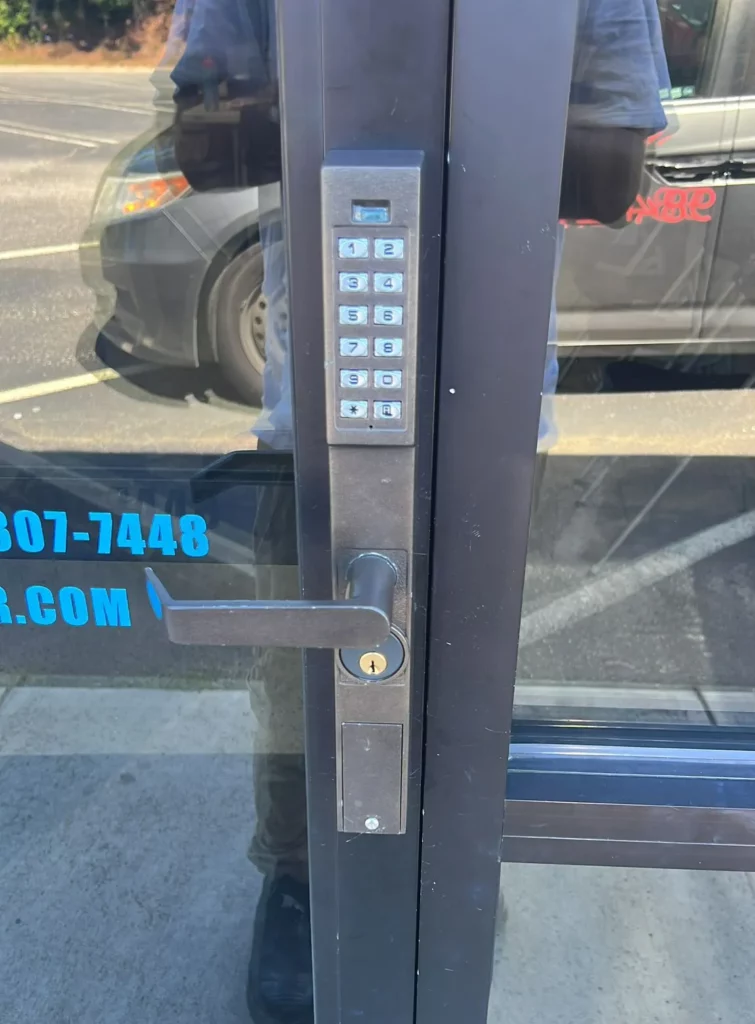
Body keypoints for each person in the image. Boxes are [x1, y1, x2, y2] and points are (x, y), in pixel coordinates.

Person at [159, 0, 672, 1020]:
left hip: (488, 419)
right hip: (310, 424)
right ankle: (302, 880)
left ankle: (448, 877)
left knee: (467, 677)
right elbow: (200, 140)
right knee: (306, 681)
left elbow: (612, 171)